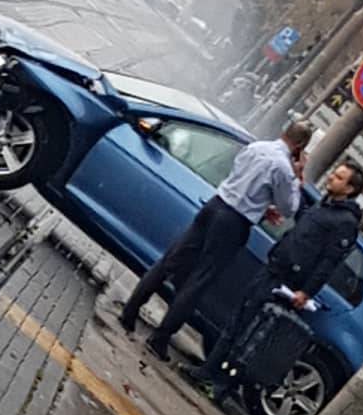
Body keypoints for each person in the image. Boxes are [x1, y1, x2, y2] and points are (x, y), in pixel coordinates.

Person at [119, 119, 313, 360]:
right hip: (235, 223)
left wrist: (260, 205)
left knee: (172, 259)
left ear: (284, 131)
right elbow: (289, 207)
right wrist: (298, 177)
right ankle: (160, 337)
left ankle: (131, 310)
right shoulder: (284, 169)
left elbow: (240, 177)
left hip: (215, 205)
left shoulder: (256, 147)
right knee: (200, 279)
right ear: (300, 145)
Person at [183, 159, 363, 402]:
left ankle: (222, 385)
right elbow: (303, 223)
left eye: (339, 177)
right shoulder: (324, 207)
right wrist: (297, 185)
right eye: (335, 173)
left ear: (350, 189)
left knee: (253, 333)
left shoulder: (345, 222)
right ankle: (209, 370)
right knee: (239, 321)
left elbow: (329, 262)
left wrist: (306, 291)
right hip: (274, 268)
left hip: (289, 281)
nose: (332, 177)